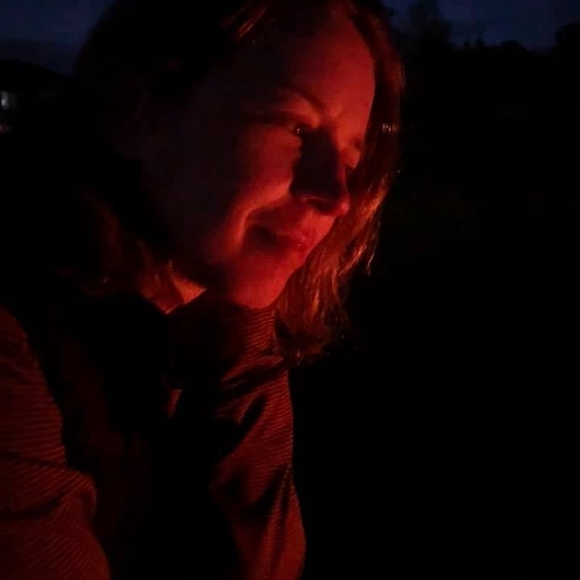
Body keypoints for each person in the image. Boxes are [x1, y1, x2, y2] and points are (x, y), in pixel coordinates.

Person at [0, 0, 402, 578]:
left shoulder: (213, 324)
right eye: (295, 126)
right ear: (138, 114)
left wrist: (243, 328)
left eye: (349, 158)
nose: (336, 195)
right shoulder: (20, 345)